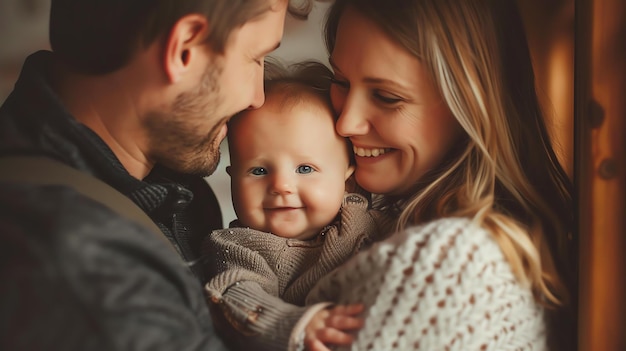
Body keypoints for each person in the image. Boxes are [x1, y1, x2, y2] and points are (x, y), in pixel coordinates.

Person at [0, 0, 291, 350]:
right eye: (256, 58)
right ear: (184, 49)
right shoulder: (81, 270)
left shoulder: (175, 184)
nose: (257, 98)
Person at [301, 0, 577, 350]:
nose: (346, 122)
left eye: (386, 97)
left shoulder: (449, 268)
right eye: (340, 81)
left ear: (470, 107)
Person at [203, 60, 394, 351]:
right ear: (232, 180)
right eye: (258, 171)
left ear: (348, 180)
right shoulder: (241, 246)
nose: (280, 185)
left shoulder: (368, 221)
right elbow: (235, 293)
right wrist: (296, 323)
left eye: (305, 169)